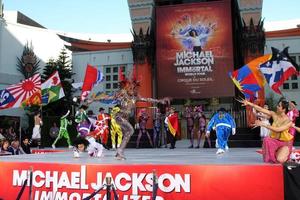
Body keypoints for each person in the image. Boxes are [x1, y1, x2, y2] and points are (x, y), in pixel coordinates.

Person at [92, 70, 169, 160]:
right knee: (131, 130)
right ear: (127, 88)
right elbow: (109, 97)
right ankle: (120, 151)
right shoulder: (123, 94)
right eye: (130, 88)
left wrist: (160, 101)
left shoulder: (135, 98)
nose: (132, 90)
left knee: (128, 133)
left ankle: (119, 153)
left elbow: (148, 99)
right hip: (119, 116)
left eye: (134, 89)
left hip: (125, 119)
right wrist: (94, 99)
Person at [239, 98, 293, 163]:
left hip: (284, 143)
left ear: (283, 109)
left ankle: (286, 154)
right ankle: (273, 156)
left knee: (280, 160)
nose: (277, 106)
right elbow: (261, 109)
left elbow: (278, 130)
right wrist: (249, 103)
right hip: (275, 141)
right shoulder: (274, 114)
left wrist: (263, 124)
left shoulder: (288, 121)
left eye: (279, 106)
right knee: (267, 139)